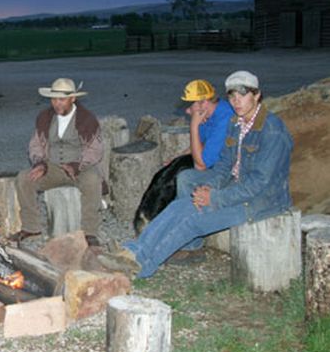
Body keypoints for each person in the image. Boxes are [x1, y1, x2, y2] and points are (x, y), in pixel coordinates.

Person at [98, 70, 294, 278]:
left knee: (193, 221)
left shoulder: (272, 130)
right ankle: (132, 253)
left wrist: (215, 197)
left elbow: (258, 185)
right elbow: (225, 164)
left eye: (242, 95)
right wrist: (210, 186)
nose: (236, 102)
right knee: (180, 205)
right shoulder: (236, 123)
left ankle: (142, 267)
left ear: (257, 95)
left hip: (261, 202)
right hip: (234, 187)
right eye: (232, 96)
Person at [132, 79, 234, 242]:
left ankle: (188, 240)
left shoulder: (225, 117)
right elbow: (198, 146)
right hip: (212, 160)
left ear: (203, 103)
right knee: (164, 174)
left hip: (229, 170)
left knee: (184, 179)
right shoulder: (208, 114)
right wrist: (175, 159)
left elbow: (201, 166)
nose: (187, 111)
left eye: (190, 105)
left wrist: (193, 125)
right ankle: (148, 223)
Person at [10, 78, 106, 248]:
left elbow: (95, 150)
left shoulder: (87, 118)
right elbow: (36, 144)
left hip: (80, 168)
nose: (56, 103)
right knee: (24, 178)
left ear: (73, 99)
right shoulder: (44, 117)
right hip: (52, 167)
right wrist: (40, 163)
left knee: (93, 180)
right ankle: (31, 227)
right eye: (54, 99)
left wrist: (77, 165)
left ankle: (90, 232)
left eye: (61, 99)